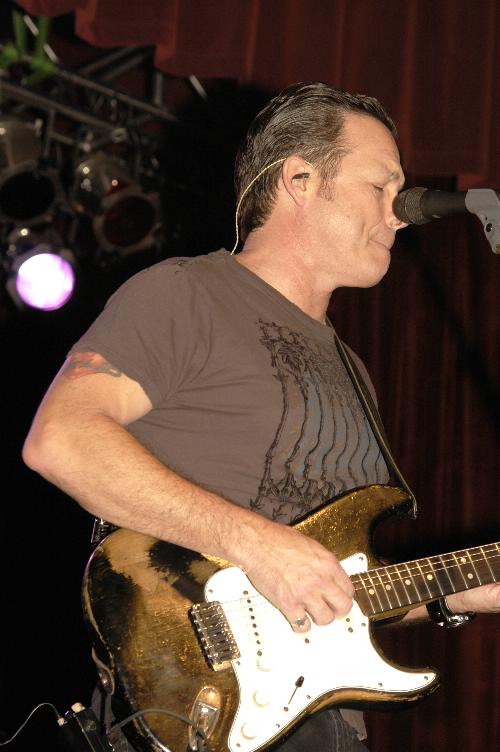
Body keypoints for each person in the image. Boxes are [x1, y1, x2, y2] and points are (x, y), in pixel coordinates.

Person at [23, 82, 500, 752]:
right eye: (381, 186)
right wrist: (259, 545)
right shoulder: (188, 293)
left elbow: (331, 587)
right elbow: (61, 440)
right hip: (201, 708)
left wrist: (459, 594)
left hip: (324, 722)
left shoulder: (352, 368)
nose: (401, 213)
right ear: (299, 180)